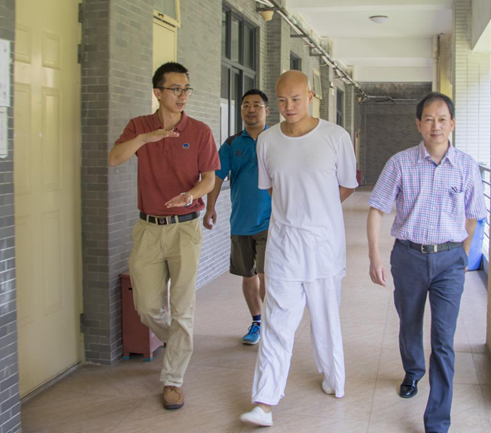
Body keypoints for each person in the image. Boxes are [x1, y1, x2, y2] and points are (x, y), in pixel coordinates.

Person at [239, 70, 358, 427]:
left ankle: (334, 380)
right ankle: (264, 402)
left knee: (325, 321)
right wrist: (297, 211)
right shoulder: (267, 141)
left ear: (310, 96)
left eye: (295, 99)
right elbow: (271, 188)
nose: (288, 106)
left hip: (324, 246)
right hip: (283, 247)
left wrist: (318, 209)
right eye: (281, 100)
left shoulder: (335, 137)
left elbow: (347, 185)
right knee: (277, 323)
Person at [366, 92, 487, 433]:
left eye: (442, 119)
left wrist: (461, 255)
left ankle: (437, 421)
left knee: (444, 340)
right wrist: (374, 255)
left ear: (452, 124)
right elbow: (377, 209)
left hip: (449, 260)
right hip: (408, 257)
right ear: (419, 124)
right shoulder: (400, 163)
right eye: (429, 120)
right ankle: (413, 371)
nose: (436, 126)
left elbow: (473, 217)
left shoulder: (466, 166)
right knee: (409, 323)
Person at [108, 62, 219, 410]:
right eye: (175, 89)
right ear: (157, 92)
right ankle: (178, 344)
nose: (182, 95)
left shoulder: (199, 131)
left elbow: (209, 178)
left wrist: (191, 194)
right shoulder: (139, 126)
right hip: (148, 229)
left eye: (186, 89)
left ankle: (173, 380)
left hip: (185, 228)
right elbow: (114, 158)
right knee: (146, 306)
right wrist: (145, 138)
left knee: (182, 308)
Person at [203, 89, 271, 345]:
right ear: (241, 110)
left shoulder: (276, 140)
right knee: (248, 275)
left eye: (256, 105)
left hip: (271, 221)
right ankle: (257, 322)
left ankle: (273, 325)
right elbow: (217, 176)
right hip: (241, 222)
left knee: (266, 275)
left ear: (266, 110)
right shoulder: (232, 144)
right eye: (246, 105)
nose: (251, 109)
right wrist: (210, 207)